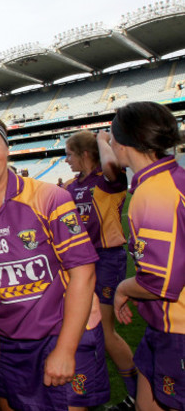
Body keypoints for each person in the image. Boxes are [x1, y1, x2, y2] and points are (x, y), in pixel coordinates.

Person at [0, 114, 108, 411]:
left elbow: (83, 274)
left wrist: (65, 348)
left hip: (60, 331)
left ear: (7, 148)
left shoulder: (49, 197)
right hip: (4, 343)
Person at [111, 101, 185, 411]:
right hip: (163, 326)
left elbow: (161, 281)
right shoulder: (170, 178)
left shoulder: (155, 192)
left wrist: (123, 288)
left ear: (125, 145)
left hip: (177, 328)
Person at [64, 130, 137, 410]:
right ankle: (90, 388)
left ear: (84, 155)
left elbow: (110, 165)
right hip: (80, 264)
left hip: (106, 259)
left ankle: (135, 393)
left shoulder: (106, 181)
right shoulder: (71, 186)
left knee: (105, 332)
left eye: (70, 154)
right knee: (86, 329)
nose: (66, 159)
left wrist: (102, 141)